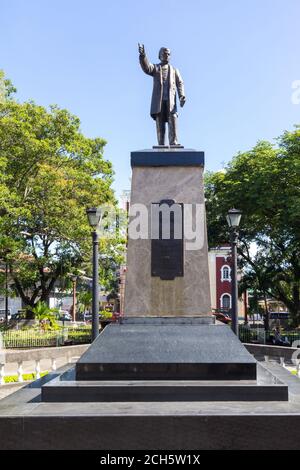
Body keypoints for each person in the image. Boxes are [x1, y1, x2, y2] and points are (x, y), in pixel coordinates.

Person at [138, 44, 186, 146]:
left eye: (168, 54)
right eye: (164, 53)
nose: (167, 55)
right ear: (159, 56)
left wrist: (182, 95)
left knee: (172, 120)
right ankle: (161, 144)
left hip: (171, 102)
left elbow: (180, 83)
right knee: (160, 124)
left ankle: (174, 143)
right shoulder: (156, 68)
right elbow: (147, 67)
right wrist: (143, 55)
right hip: (158, 102)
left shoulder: (174, 70)